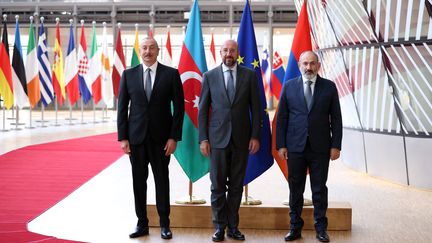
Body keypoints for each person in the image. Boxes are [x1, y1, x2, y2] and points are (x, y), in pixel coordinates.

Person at [117, 37, 184, 240]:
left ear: (158, 50)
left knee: (162, 181)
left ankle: (165, 224)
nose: (148, 51)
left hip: (162, 140)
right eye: (144, 48)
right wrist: (123, 138)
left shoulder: (171, 74)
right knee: (139, 182)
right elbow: (122, 109)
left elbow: (180, 109)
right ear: (140, 50)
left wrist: (174, 137)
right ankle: (142, 224)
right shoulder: (128, 75)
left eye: (151, 48)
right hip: (136, 140)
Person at [198, 39, 261, 242]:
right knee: (217, 186)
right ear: (220, 52)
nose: (229, 54)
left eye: (232, 50)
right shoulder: (209, 76)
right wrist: (203, 139)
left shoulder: (250, 76)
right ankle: (219, 227)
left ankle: (233, 227)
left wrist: (255, 136)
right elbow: (202, 111)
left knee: (235, 186)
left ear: (237, 52)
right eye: (225, 50)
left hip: (242, 140)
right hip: (216, 140)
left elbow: (257, 109)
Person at [276, 51, 342, 242]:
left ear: (318, 65)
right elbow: (282, 118)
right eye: (305, 63)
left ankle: (321, 228)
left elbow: (336, 119)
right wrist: (281, 145)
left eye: (312, 63)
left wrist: (335, 145)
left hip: (320, 147)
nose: (308, 67)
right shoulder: (289, 87)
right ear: (299, 65)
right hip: (295, 147)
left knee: (319, 189)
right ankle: (295, 228)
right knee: (295, 189)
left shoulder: (329, 87)